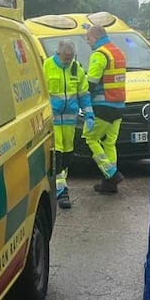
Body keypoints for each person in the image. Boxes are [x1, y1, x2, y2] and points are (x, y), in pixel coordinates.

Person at [44, 39, 93, 209]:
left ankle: (59, 186)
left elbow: (83, 94)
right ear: (58, 53)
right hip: (53, 121)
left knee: (67, 157)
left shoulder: (76, 68)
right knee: (57, 156)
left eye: (71, 57)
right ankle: (61, 192)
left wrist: (89, 115)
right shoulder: (47, 66)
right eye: (65, 57)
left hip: (70, 121)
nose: (68, 60)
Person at [83, 24, 127, 193]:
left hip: (103, 106)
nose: (87, 42)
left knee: (90, 138)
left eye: (88, 38)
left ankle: (112, 174)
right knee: (109, 143)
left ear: (94, 37)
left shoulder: (100, 54)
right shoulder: (118, 52)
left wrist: (82, 99)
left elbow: (91, 83)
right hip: (119, 106)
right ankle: (109, 185)